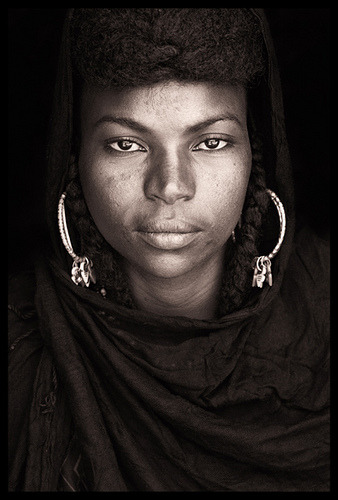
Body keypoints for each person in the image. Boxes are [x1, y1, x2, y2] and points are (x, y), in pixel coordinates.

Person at [8, 8, 329, 491]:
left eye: (211, 142)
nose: (171, 186)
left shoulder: (323, 312)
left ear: (255, 158)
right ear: (74, 160)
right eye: (126, 145)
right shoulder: (20, 345)